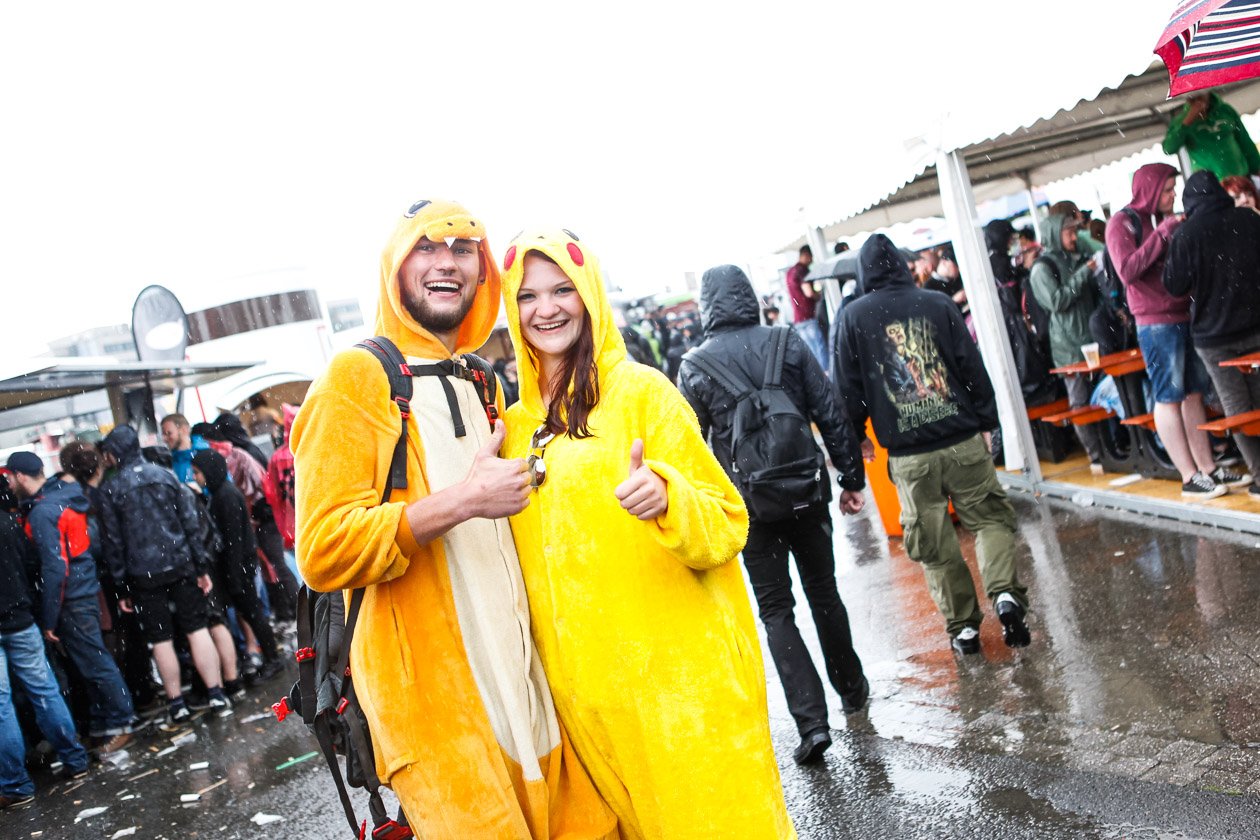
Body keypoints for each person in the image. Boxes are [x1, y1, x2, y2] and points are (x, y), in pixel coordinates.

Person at [291, 199, 614, 837]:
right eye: (428, 247)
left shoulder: (481, 379)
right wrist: (462, 500)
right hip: (441, 715)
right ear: (395, 264)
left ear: (484, 269)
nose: (447, 262)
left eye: (463, 249)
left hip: (529, 691)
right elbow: (323, 549)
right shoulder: (356, 378)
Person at [500, 228, 793, 837]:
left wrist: (669, 497)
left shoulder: (641, 393)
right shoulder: (514, 425)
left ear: (590, 295)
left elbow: (726, 519)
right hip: (591, 709)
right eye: (527, 296)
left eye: (562, 290)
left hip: (682, 691)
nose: (546, 308)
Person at [678, 264, 869, 767]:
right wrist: (851, 480)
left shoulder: (695, 365)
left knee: (776, 609)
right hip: (806, 492)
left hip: (750, 506)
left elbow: (690, 450)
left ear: (706, 306)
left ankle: (811, 725)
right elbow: (829, 410)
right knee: (824, 592)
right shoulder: (786, 341)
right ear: (748, 297)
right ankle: (852, 687)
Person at [833, 234, 1032, 656]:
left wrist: (858, 437)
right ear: (904, 266)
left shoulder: (854, 317)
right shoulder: (937, 303)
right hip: (961, 439)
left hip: (909, 455)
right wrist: (986, 421)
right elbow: (971, 366)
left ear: (864, 273)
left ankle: (962, 628)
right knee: (990, 520)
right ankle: (1004, 594)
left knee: (935, 544)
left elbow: (846, 389)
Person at [1105, 162, 1247, 498]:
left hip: (1186, 313)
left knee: (1194, 392)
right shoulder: (1121, 223)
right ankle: (1188, 475)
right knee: (1168, 397)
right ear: (1150, 190)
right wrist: (1162, 234)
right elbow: (1127, 270)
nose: (1171, 196)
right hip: (1154, 322)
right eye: (1167, 190)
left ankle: (1208, 468)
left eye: (1173, 190)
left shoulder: (1164, 220)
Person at [98, 425, 231, 721]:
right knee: (197, 629)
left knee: (161, 639)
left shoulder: (111, 489)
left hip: (143, 574)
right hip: (181, 564)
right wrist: (200, 566)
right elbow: (189, 525)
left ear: (115, 453)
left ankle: (176, 703)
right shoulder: (166, 476)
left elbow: (113, 543)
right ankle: (216, 695)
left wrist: (121, 587)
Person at [8, 449, 136, 752]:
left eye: (11, 477)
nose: (10, 483)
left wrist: (49, 618)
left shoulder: (42, 511)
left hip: (72, 598)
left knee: (94, 662)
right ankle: (108, 722)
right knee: (92, 661)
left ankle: (121, 721)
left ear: (21, 476)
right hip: (81, 591)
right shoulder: (59, 499)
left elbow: (54, 566)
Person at [1164, 170, 1260, 500]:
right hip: (1256, 326)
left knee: (1238, 407)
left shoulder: (1185, 234)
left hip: (1214, 336)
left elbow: (1173, 286)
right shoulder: (1248, 219)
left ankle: (1259, 474)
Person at [0, 473, 91, 809]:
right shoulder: (11, 525)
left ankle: (16, 785)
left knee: (1, 705)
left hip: (13, 618)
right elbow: (35, 566)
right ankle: (74, 758)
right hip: (21, 619)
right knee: (44, 689)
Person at [191, 449, 285, 681]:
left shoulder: (226, 496)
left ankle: (273, 658)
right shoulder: (220, 494)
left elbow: (234, 540)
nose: (195, 478)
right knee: (251, 613)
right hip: (239, 567)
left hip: (239, 568)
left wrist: (234, 575)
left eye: (197, 473)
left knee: (253, 613)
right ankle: (270, 656)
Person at [1029, 212, 1106, 471]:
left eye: (1075, 231)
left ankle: (1111, 447)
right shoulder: (1042, 269)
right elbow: (1057, 302)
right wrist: (1085, 273)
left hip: (1093, 337)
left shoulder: (1076, 257)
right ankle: (1096, 454)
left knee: (1105, 394)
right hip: (1069, 345)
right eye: (1069, 233)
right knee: (1080, 401)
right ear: (1054, 235)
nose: (1074, 237)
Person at [1162, 92, 1260, 181]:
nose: (1196, 96)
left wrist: (1257, 167)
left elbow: (1245, 142)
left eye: (1200, 91)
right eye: (1191, 93)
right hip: (1209, 187)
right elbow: (1168, 148)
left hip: (1240, 178)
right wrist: (1188, 120)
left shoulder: (1225, 110)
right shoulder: (1180, 120)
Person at [786, 243, 828, 374]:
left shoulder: (789, 272)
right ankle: (827, 375)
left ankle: (819, 378)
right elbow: (808, 292)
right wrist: (818, 295)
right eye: (811, 257)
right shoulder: (802, 270)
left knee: (811, 352)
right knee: (820, 348)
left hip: (798, 319)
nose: (812, 260)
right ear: (806, 255)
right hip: (808, 316)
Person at [160, 413, 197, 485]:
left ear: (184, 430)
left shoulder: (202, 456)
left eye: (168, 433)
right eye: (163, 434)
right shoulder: (167, 461)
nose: (164, 439)